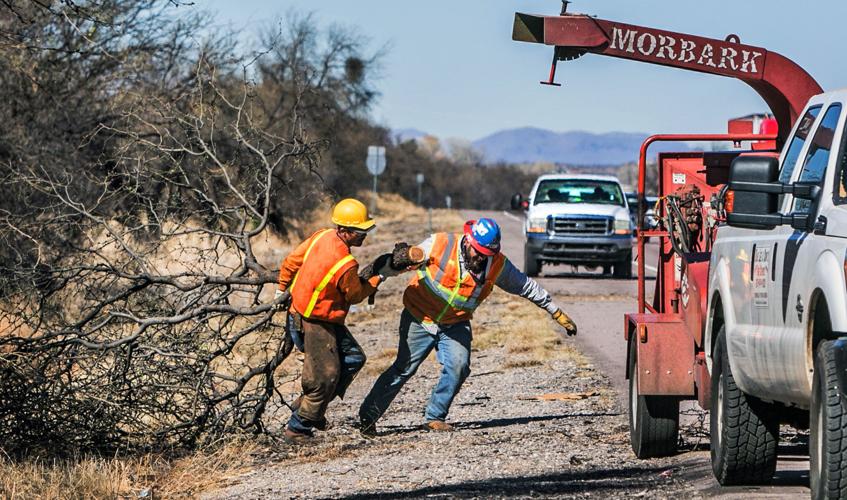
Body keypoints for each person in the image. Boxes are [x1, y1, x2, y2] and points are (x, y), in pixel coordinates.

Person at [358, 218, 577, 434]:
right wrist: (375, 279)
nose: (482, 258)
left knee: (459, 366)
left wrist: (554, 311)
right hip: (420, 316)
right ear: (468, 241)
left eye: (487, 254)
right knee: (404, 368)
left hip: (455, 323)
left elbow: (525, 286)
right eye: (479, 252)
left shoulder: (497, 264)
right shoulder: (440, 244)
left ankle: (435, 417)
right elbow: (401, 262)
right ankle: (368, 417)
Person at [276, 198, 391, 444]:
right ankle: (297, 428)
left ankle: (308, 409)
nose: (364, 236)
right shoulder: (346, 264)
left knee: (353, 359)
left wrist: (282, 286)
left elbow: (292, 261)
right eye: (361, 231)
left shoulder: (321, 236)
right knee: (324, 376)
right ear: (344, 231)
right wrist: (377, 280)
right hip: (314, 322)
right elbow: (356, 295)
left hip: (305, 315)